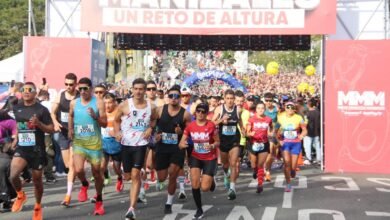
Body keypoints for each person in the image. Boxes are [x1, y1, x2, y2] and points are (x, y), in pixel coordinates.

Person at [113, 78, 157, 220]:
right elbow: (116, 120)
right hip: (126, 144)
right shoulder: (125, 105)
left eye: (141, 89)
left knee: (135, 176)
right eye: (136, 88)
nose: (138, 91)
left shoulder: (152, 106)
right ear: (132, 89)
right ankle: (140, 172)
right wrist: (117, 132)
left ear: (145, 91)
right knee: (127, 176)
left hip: (141, 144)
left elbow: (154, 119)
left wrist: (150, 128)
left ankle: (131, 208)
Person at [9, 82, 54, 220]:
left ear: (35, 93)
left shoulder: (41, 110)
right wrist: (16, 137)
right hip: (23, 148)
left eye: (30, 90)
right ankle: (20, 195)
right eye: (24, 89)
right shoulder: (17, 108)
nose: (26, 91)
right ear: (21, 92)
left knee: (37, 181)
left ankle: (38, 206)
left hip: (37, 150)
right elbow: (19, 125)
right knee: (13, 175)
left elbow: (51, 129)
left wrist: (39, 124)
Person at [68, 77, 107, 215]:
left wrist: (95, 116)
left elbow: (105, 124)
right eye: (80, 89)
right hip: (79, 142)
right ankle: (84, 184)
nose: (83, 91)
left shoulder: (99, 103)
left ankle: (99, 200)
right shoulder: (74, 103)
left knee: (97, 173)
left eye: (85, 88)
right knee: (78, 170)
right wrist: (70, 129)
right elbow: (71, 116)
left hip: (94, 144)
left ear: (91, 89)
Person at [179, 103, 220, 219]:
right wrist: (182, 144)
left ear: (207, 113)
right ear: (195, 113)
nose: (200, 114)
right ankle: (199, 209)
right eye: (198, 111)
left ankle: (211, 181)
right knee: (195, 183)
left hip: (210, 158)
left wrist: (212, 146)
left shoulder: (211, 126)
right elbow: (182, 142)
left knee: (205, 188)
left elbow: (218, 142)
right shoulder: (190, 126)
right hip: (196, 157)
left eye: (203, 111)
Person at [155, 85, 192, 214]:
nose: (174, 99)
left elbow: (189, 132)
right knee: (161, 177)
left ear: (180, 98)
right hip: (162, 147)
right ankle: (165, 184)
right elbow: (151, 125)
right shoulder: (159, 110)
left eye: (176, 96)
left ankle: (168, 203)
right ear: (168, 97)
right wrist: (156, 134)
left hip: (177, 148)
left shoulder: (185, 114)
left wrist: (181, 132)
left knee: (172, 175)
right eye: (171, 96)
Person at [50, 73, 79, 207]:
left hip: (76, 134)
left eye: (71, 84)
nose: (68, 87)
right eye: (66, 84)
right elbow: (52, 112)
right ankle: (80, 180)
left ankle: (67, 196)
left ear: (76, 84)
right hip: (63, 133)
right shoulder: (60, 95)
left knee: (72, 166)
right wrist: (55, 122)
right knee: (68, 166)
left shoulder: (79, 96)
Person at [212, 89, 244, 200]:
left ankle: (232, 188)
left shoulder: (238, 109)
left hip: (234, 139)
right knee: (225, 164)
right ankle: (226, 175)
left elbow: (240, 121)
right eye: (228, 99)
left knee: (233, 163)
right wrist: (221, 120)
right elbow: (211, 124)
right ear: (224, 99)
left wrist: (243, 129)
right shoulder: (219, 109)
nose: (230, 101)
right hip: (223, 140)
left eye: (232, 99)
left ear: (234, 99)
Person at [277, 101, 307, 192]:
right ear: (285, 108)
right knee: (287, 163)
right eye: (287, 107)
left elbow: (304, 130)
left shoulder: (298, 118)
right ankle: (288, 184)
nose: (289, 109)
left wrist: (302, 135)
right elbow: (274, 130)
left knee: (293, 167)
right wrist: (279, 140)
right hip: (285, 143)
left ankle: (293, 171)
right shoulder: (280, 117)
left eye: (291, 107)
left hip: (295, 143)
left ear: (294, 109)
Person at [246, 102, 273, 193]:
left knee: (260, 164)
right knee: (254, 164)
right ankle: (254, 170)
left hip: (264, 144)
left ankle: (260, 184)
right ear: (256, 110)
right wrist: (250, 134)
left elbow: (271, 128)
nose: (260, 110)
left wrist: (270, 133)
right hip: (253, 143)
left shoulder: (268, 119)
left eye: (262, 108)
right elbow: (247, 132)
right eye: (258, 108)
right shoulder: (251, 119)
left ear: (264, 109)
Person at [101, 93, 123, 193]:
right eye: (105, 103)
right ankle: (100, 188)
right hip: (103, 143)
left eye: (110, 103)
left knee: (116, 168)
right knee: (101, 167)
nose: (107, 105)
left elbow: (125, 128)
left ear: (114, 102)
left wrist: (117, 132)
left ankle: (119, 177)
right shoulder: (101, 112)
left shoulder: (119, 112)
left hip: (115, 144)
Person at [0, 110, 17, 212]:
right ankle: (7, 199)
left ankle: (8, 199)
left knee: (4, 172)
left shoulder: (9, 122)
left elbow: (16, 135)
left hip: (7, 151)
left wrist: (12, 144)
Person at [264, 92, 279, 182]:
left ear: (273, 101)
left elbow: (278, 122)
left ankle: (267, 169)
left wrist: (276, 130)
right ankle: (266, 170)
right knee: (269, 151)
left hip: (274, 134)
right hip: (264, 134)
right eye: (267, 100)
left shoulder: (276, 110)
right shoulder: (262, 109)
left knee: (273, 153)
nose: (268, 102)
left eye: (270, 101)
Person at [303, 99, 321, 165]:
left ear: (308, 104)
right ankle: (319, 159)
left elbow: (304, 123)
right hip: (317, 132)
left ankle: (309, 159)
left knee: (307, 146)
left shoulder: (307, 114)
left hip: (308, 132)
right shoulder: (319, 112)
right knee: (318, 146)